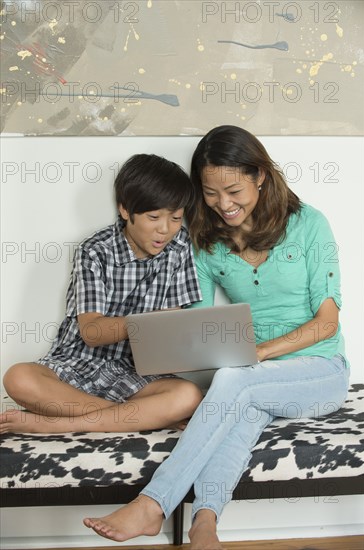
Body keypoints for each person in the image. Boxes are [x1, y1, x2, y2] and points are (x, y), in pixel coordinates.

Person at [82, 126, 350, 550]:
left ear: (260, 175)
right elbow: (199, 321)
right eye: (210, 193)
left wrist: (258, 352)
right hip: (255, 376)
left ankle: (153, 504)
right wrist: (174, 345)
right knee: (239, 411)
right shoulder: (206, 243)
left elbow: (327, 323)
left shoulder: (309, 225)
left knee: (235, 380)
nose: (223, 205)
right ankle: (204, 526)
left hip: (321, 371)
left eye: (233, 190)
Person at [0, 154, 203, 434]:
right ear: (124, 210)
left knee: (189, 395)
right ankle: (133, 417)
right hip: (77, 366)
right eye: (154, 217)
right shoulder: (95, 250)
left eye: (176, 218)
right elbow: (93, 333)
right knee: (18, 377)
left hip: (137, 372)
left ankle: (56, 424)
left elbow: (172, 326)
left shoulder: (180, 247)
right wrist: (150, 322)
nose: (165, 229)